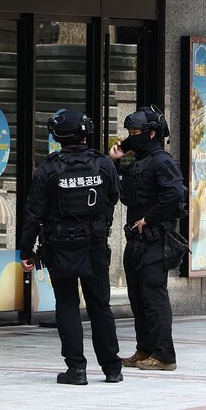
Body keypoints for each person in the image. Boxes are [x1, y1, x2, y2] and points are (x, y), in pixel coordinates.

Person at [20, 109, 122, 385]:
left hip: (60, 246)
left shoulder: (48, 168)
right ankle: (113, 369)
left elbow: (33, 214)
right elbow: (113, 197)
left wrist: (26, 251)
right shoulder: (104, 164)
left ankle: (76, 369)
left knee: (67, 303)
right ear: (86, 134)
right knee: (100, 305)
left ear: (58, 137)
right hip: (95, 245)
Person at [109, 106, 185, 372]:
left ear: (152, 134)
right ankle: (145, 349)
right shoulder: (139, 162)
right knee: (138, 297)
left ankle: (164, 355)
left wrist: (149, 219)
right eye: (129, 132)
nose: (131, 136)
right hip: (136, 241)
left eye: (136, 132)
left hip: (154, 240)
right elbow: (122, 192)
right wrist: (116, 160)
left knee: (154, 297)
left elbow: (175, 194)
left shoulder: (162, 161)